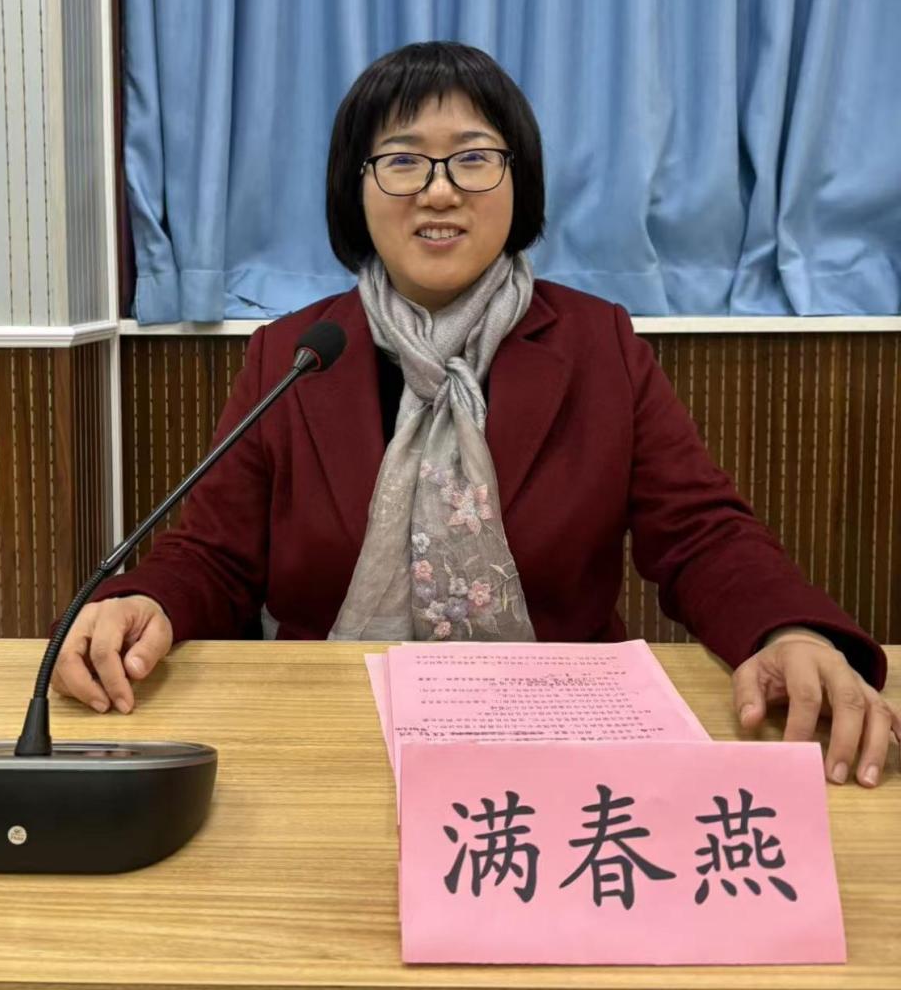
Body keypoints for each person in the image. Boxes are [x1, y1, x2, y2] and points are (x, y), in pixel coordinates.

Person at [51, 41, 897, 785]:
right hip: (332, 729)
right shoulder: (296, 353)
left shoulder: (597, 344)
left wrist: (790, 634)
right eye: (403, 160)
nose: (439, 191)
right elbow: (218, 554)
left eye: (473, 158)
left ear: (517, 181)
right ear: (356, 188)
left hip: (560, 739)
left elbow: (701, 534)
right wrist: (149, 601)